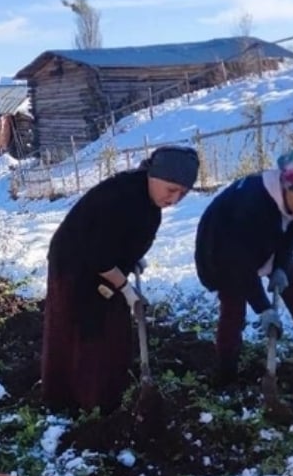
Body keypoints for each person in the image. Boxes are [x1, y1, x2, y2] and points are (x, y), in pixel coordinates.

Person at [41, 145, 200, 413]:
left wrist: (132, 257)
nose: (174, 199)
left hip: (105, 265)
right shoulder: (121, 196)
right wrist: (126, 289)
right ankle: (69, 400)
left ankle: (110, 391)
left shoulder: (149, 201)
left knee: (113, 328)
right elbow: (98, 253)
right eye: (171, 189)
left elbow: (124, 239)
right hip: (74, 263)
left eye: (182, 194)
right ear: (154, 175)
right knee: (81, 327)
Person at [194, 146, 293, 385]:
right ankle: (226, 371)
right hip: (221, 251)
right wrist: (263, 309)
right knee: (233, 305)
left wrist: (280, 266)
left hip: (263, 241)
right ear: (285, 185)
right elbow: (239, 263)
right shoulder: (252, 204)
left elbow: (292, 231)